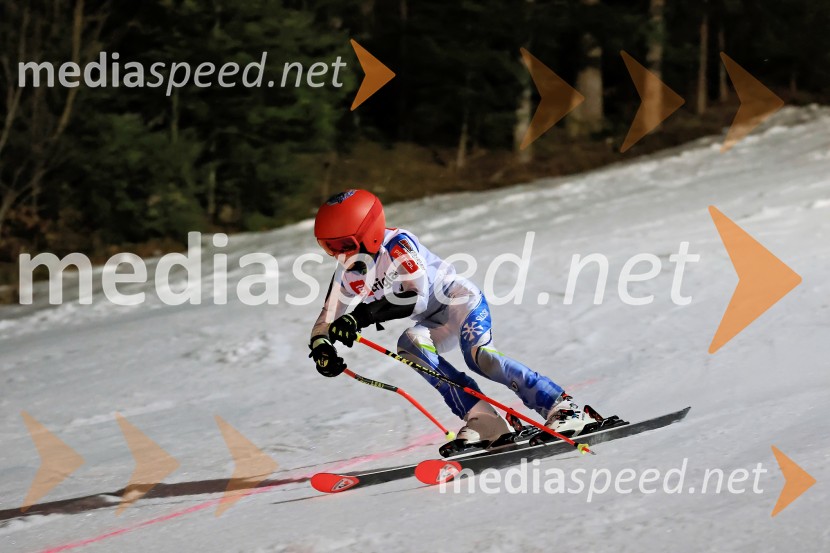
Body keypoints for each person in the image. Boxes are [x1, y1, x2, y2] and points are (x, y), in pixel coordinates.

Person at [308, 189, 597, 446]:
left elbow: (415, 296)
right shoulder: (348, 273)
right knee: (410, 346)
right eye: (330, 247)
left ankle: (561, 407)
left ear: (369, 233)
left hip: (459, 301)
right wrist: (321, 347)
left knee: (480, 358)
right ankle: (485, 420)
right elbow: (326, 318)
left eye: (345, 244)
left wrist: (360, 316)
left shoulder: (398, 245)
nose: (339, 255)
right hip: (434, 320)